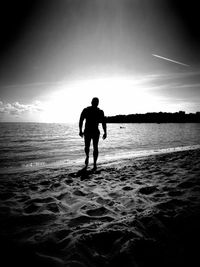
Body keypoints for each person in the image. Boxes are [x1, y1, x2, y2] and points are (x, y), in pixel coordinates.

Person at [79, 97, 107, 170]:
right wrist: (105, 132)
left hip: (91, 131)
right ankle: (92, 162)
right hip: (90, 131)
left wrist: (80, 130)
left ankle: (91, 160)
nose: (95, 103)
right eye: (95, 102)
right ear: (93, 102)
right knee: (92, 147)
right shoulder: (88, 110)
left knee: (91, 147)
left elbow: (81, 120)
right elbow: (81, 120)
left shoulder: (98, 111)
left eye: (96, 102)